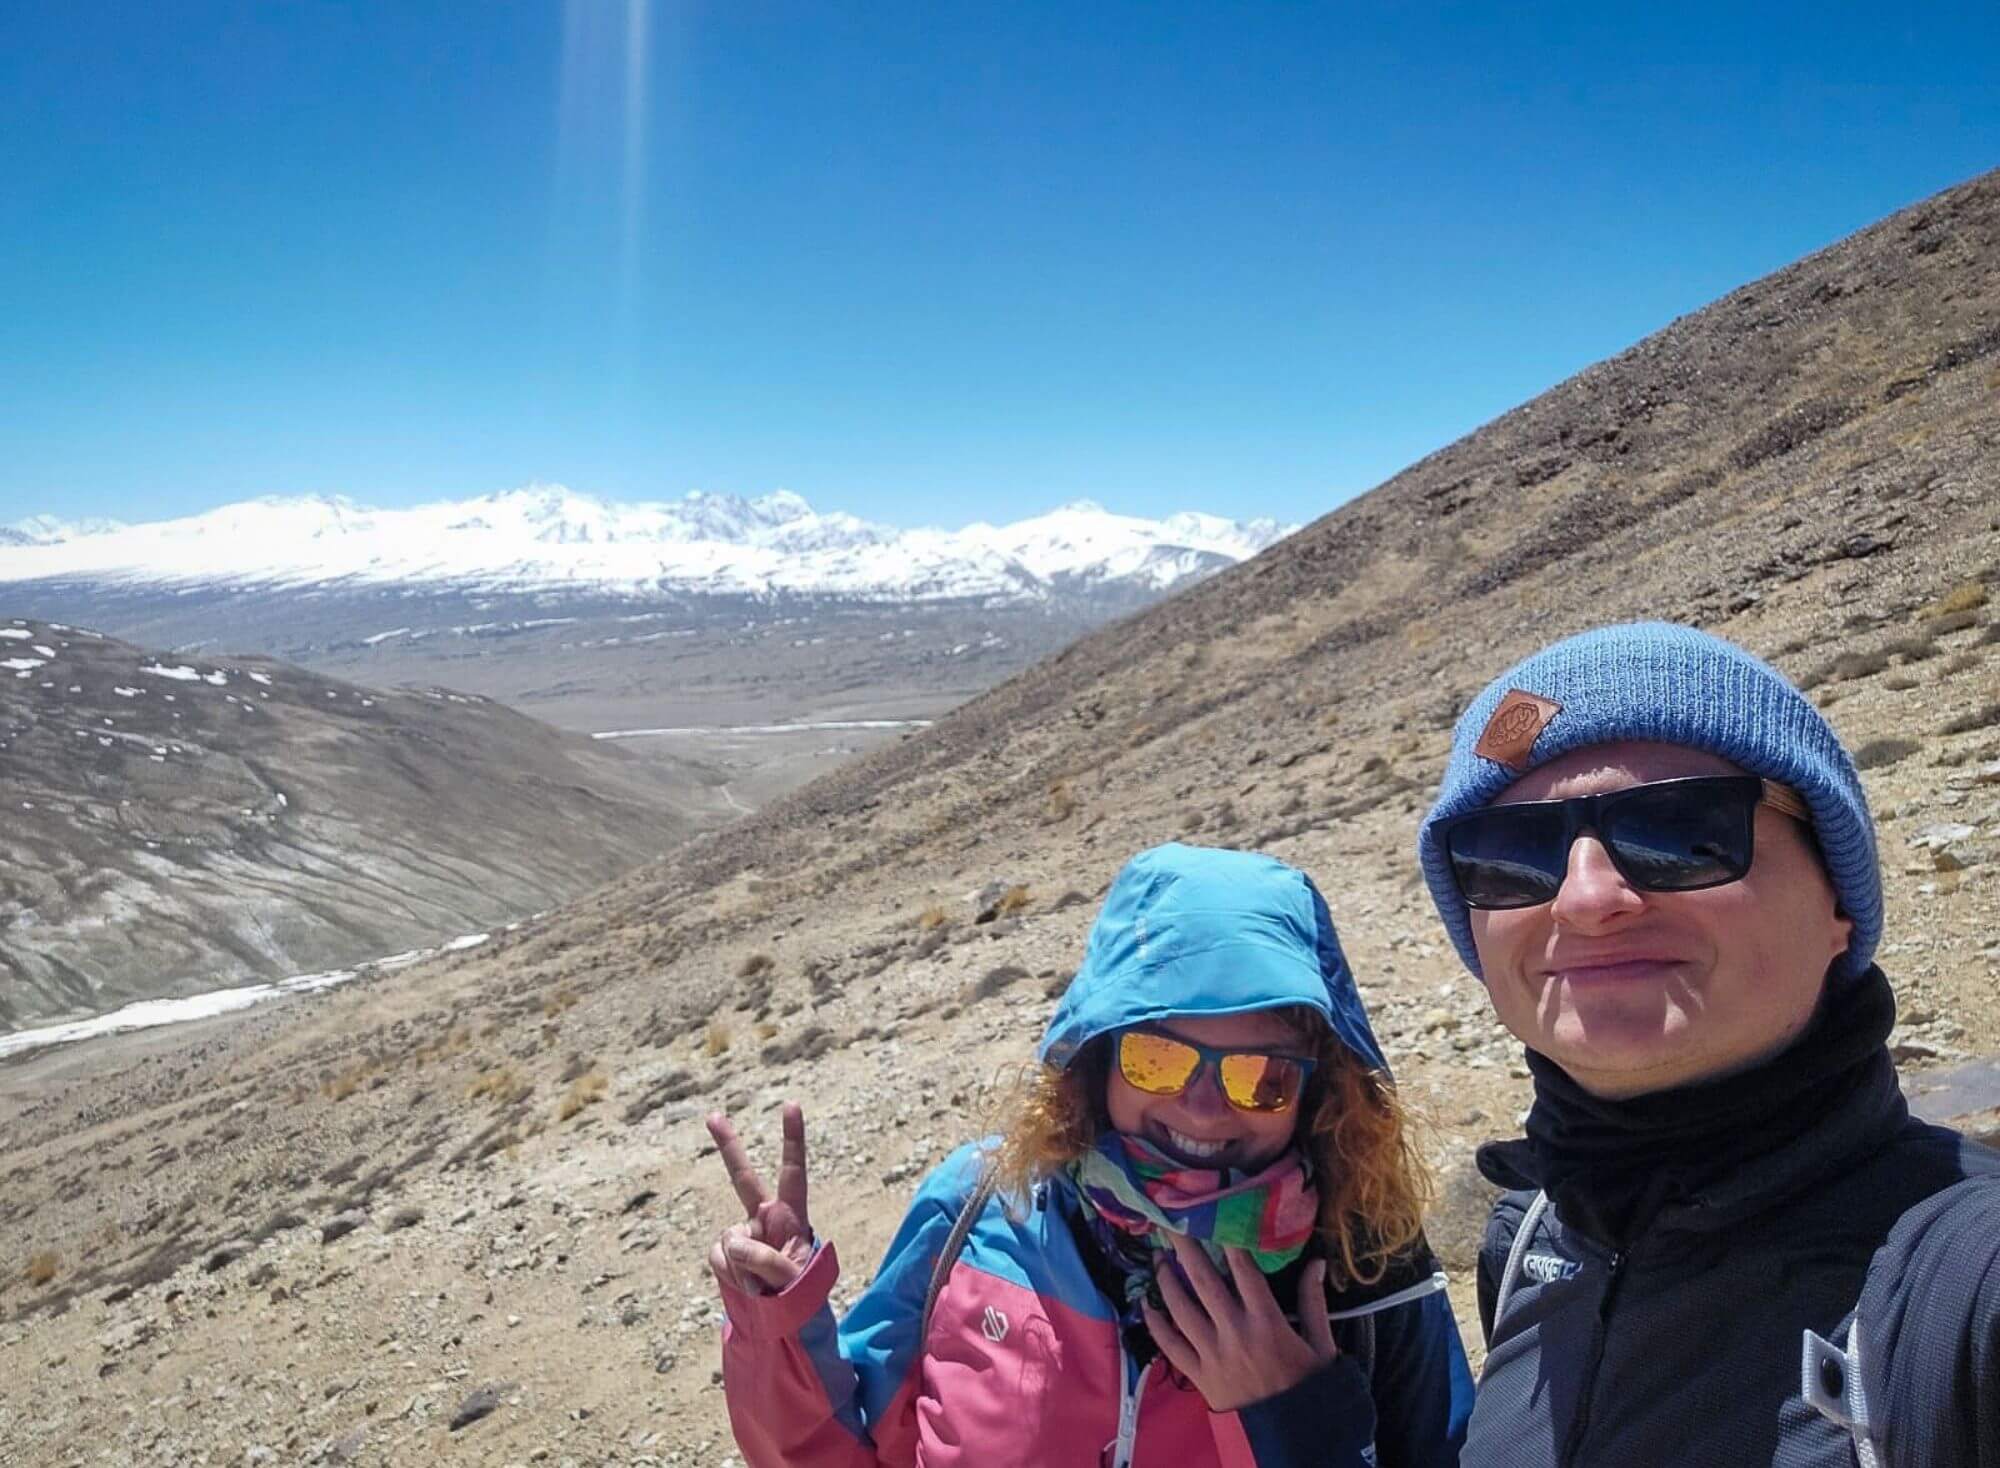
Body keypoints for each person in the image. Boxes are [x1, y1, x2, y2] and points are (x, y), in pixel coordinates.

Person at [1416, 622, 2000, 1465]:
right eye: (1509, 858)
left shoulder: (1964, 1286)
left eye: (1680, 834)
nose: (1585, 898)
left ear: (1838, 900)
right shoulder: (1527, 1244)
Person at [705, 842, 1474, 1467]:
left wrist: (1295, 1422)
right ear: (1096, 1057)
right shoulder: (980, 1205)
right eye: (1157, 1059)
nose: (1202, 1107)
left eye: (1261, 1078)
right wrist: (783, 1330)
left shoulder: (1363, 1267)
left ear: (1320, 1091)